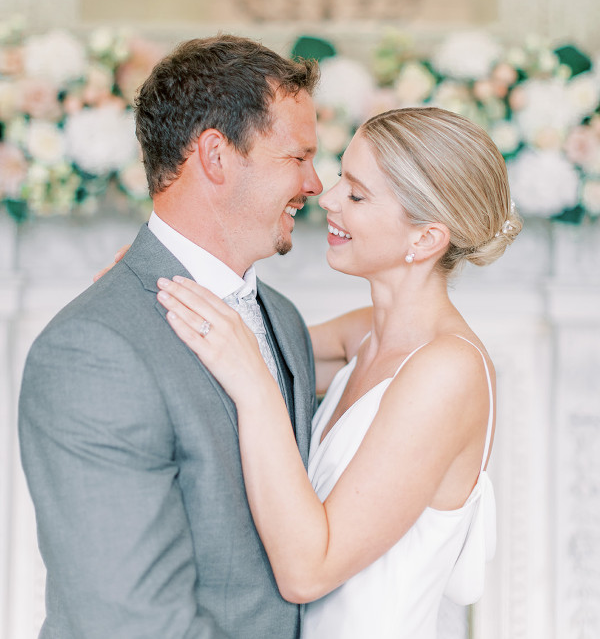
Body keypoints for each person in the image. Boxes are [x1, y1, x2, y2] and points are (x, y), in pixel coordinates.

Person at [154, 106, 522, 639]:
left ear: (425, 239)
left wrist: (255, 387)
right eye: (340, 175)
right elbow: (238, 336)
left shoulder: (449, 371)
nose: (324, 197)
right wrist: (155, 284)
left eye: (355, 193)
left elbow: (309, 571)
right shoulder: (366, 335)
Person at [18, 35, 325, 639]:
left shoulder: (282, 320)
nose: (316, 183)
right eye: (298, 157)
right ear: (215, 155)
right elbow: (128, 621)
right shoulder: (93, 351)